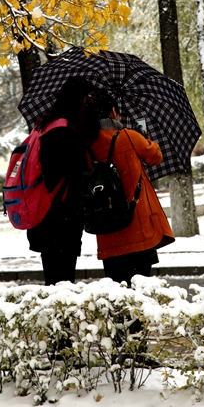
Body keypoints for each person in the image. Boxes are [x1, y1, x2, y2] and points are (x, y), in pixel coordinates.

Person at [79, 89, 175, 286]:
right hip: (137, 226)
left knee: (118, 294)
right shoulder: (129, 137)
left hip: (108, 230)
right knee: (140, 290)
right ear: (113, 111)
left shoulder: (86, 145)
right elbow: (155, 157)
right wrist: (145, 138)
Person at [26, 76, 96, 285]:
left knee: (54, 278)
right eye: (88, 98)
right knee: (62, 281)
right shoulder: (63, 133)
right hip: (61, 218)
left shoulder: (47, 126)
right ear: (78, 100)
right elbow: (73, 172)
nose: (91, 103)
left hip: (47, 214)